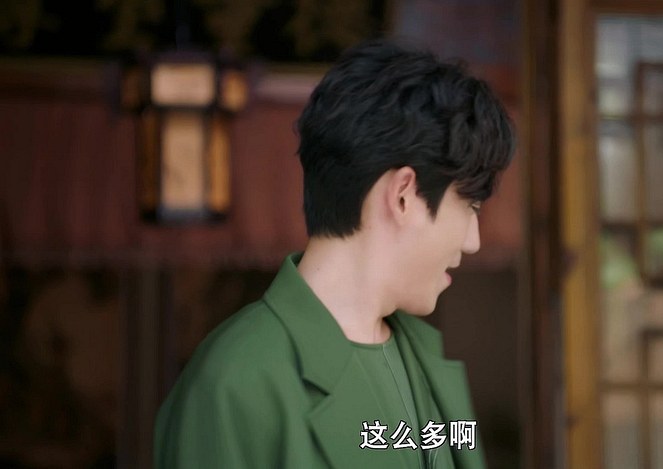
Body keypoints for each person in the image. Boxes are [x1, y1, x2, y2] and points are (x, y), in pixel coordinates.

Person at [153, 39, 515, 469]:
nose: (473, 241)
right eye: (470, 206)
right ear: (404, 195)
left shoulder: (425, 361)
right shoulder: (232, 385)